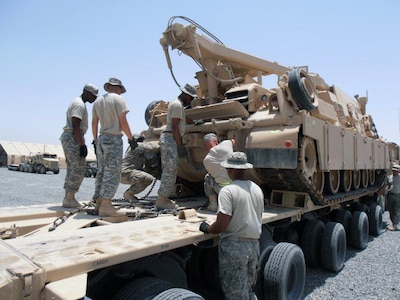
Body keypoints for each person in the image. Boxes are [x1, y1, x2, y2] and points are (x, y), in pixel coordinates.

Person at [199, 152, 264, 300]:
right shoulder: (256, 189)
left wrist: (207, 228)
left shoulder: (228, 191)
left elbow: (222, 223)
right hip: (254, 245)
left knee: (235, 294)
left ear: (229, 170)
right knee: (247, 290)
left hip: (234, 248)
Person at [92, 78, 135, 217]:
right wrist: (131, 138)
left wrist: (95, 140)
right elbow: (123, 121)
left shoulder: (98, 101)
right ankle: (106, 205)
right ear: (118, 88)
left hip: (101, 138)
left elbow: (94, 122)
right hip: (113, 139)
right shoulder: (119, 100)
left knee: (102, 171)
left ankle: (98, 203)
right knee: (113, 172)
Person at [156, 84, 197, 209]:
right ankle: (162, 200)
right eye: (190, 98)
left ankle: (163, 198)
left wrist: (194, 122)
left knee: (170, 169)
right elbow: (175, 126)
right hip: (170, 138)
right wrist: (180, 145)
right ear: (185, 94)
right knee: (170, 169)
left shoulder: (177, 104)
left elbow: (181, 117)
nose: (191, 100)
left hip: (169, 138)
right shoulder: (177, 104)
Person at [60, 83, 98, 208]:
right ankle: (69, 198)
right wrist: (82, 145)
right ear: (87, 93)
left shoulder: (78, 103)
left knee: (72, 168)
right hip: (73, 136)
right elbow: (76, 126)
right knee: (78, 168)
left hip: (71, 136)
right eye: (93, 96)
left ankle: (69, 197)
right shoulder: (79, 105)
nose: (95, 98)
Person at [203, 133, 235, 211]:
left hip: (222, 189)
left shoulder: (206, 160)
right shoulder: (226, 144)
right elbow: (234, 141)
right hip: (235, 186)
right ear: (216, 141)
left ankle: (213, 204)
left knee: (208, 177)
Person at [120, 135, 157, 202]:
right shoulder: (137, 145)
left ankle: (129, 194)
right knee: (148, 179)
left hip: (124, 173)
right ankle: (129, 194)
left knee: (147, 176)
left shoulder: (131, 148)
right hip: (127, 173)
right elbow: (152, 147)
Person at [386, 163, 400, 231]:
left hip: (398, 195)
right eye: (394, 171)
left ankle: (395, 224)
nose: (395, 172)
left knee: (397, 210)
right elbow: (386, 185)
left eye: (396, 171)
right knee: (391, 210)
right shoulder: (389, 177)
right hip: (390, 195)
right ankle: (393, 223)